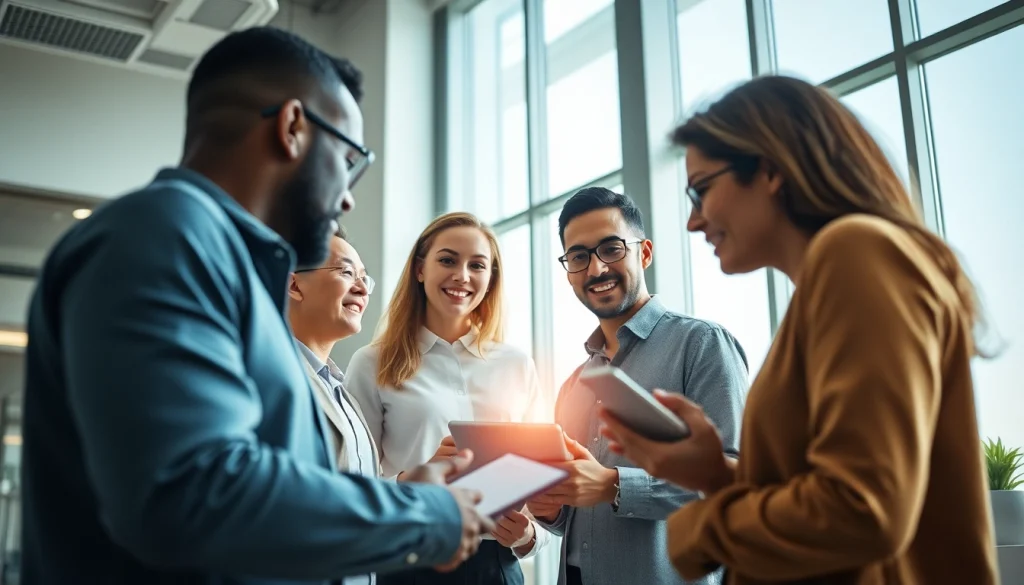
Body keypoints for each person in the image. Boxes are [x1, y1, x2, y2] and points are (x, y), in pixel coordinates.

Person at [20, 26, 492, 585]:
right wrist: (419, 516)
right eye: (348, 160)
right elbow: (191, 493)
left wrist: (389, 501)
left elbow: (263, 499)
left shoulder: (225, 268)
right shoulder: (163, 235)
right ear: (292, 128)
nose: (347, 196)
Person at [599, 75, 999, 585]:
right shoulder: (828, 282)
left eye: (701, 191)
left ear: (769, 170)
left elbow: (864, 509)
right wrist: (714, 476)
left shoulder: (857, 252)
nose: (693, 222)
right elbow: (837, 486)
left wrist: (699, 531)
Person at [527, 187, 749, 585]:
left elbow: (738, 485)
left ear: (643, 253)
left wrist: (613, 486)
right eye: (579, 257)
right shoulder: (573, 384)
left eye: (611, 249)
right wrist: (547, 508)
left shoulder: (702, 346)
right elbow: (573, 520)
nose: (595, 270)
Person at [346, 211, 553, 585]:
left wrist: (528, 537)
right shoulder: (372, 363)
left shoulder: (517, 364)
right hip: (409, 561)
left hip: (498, 567)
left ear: (490, 280)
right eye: (447, 260)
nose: (462, 275)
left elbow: (541, 480)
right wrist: (410, 481)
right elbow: (350, 483)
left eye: (477, 265)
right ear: (420, 269)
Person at [288, 226, 382, 585]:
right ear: (294, 285)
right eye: (346, 273)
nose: (361, 288)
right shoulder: (271, 382)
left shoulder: (342, 393)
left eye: (364, 278)